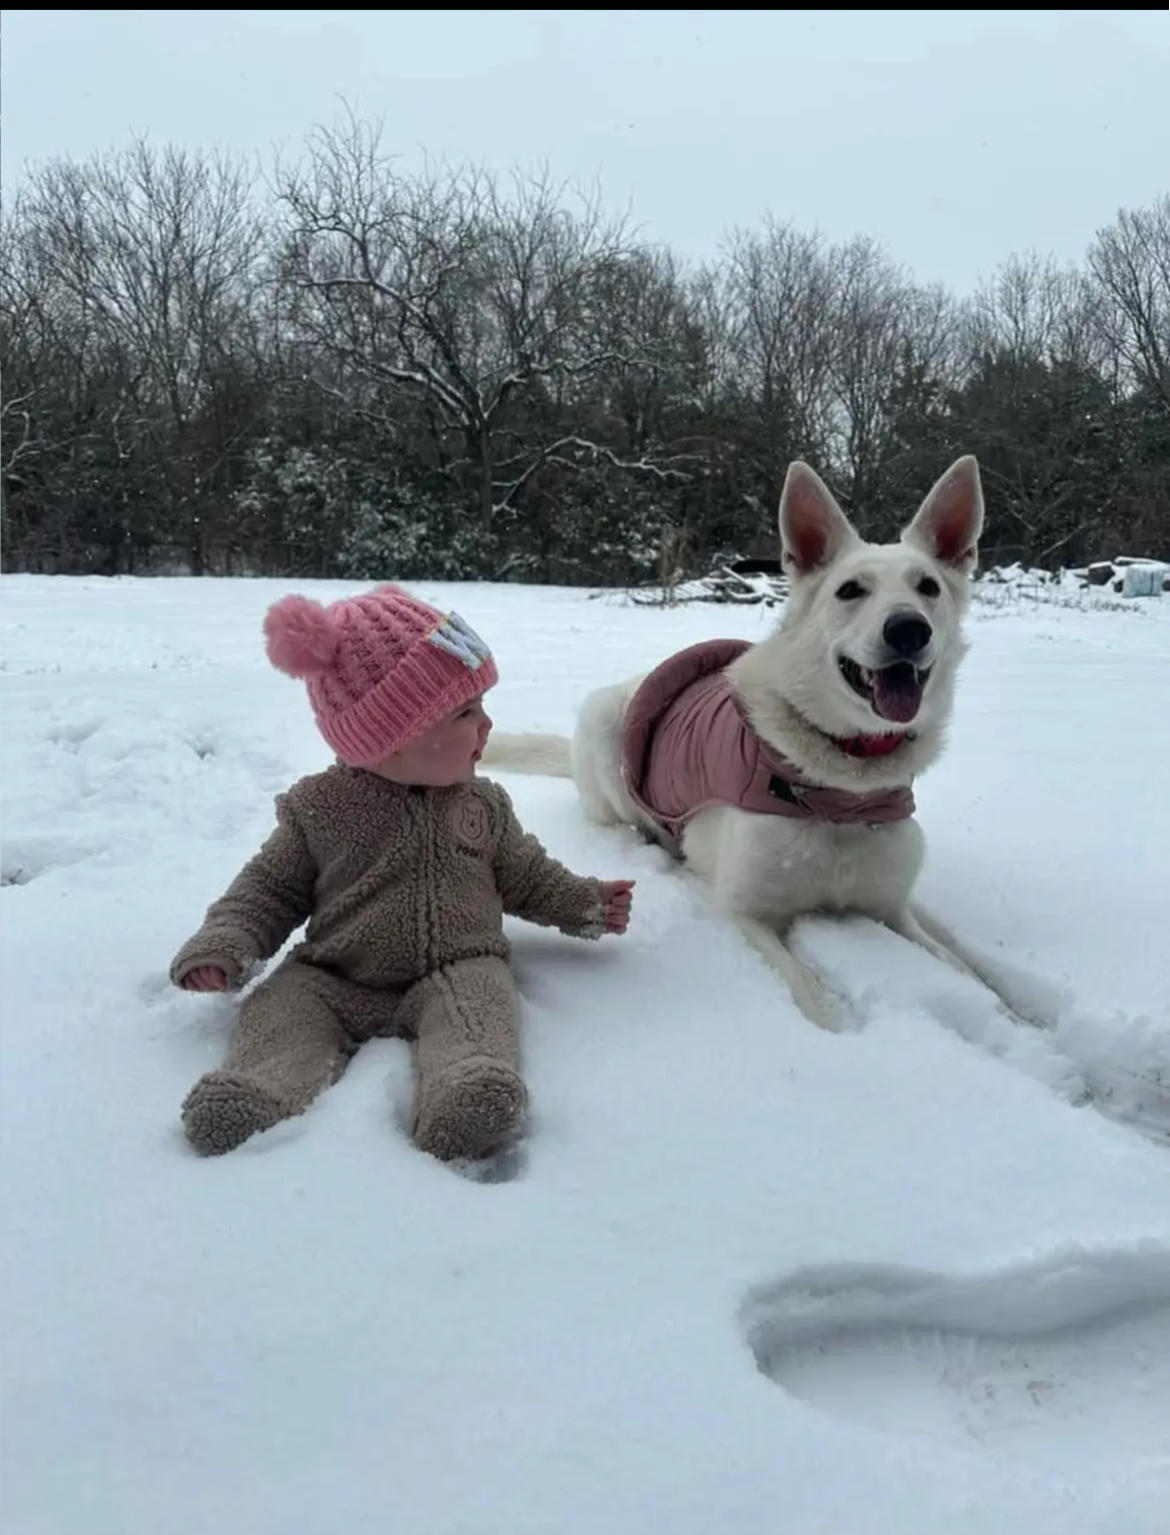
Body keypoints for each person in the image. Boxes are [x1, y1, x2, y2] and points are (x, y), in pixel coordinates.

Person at [171, 584, 634, 1161]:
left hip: (454, 969)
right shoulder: (320, 811)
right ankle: (260, 1091)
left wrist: (585, 904)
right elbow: (265, 891)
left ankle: (464, 1093)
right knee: (283, 1010)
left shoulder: (481, 806)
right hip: (335, 975)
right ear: (387, 738)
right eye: (465, 712)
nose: (486, 725)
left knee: (480, 1008)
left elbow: (527, 876)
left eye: (482, 705)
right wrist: (224, 944)